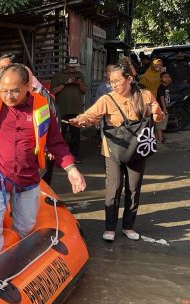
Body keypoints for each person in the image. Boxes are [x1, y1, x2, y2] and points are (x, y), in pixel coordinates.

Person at [0, 63, 86, 262]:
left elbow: (56, 142)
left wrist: (71, 169)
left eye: (14, 91)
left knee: (26, 227)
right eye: (4, 90)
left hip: (27, 179)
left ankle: (18, 263)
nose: (8, 96)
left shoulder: (42, 106)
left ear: (28, 86)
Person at [69, 64, 164, 242]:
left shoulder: (144, 95)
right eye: (110, 81)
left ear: (129, 79)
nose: (113, 85)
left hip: (137, 149)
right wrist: (80, 120)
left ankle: (129, 226)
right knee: (113, 188)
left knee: (134, 189)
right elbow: (90, 115)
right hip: (113, 150)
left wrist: (157, 113)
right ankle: (110, 228)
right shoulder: (107, 99)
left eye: (117, 81)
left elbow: (159, 116)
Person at [51, 56, 87, 163]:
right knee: (60, 135)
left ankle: (74, 155)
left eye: (74, 67)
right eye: (71, 67)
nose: (73, 69)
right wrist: (66, 83)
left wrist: (79, 83)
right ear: (66, 65)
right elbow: (53, 91)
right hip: (62, 110)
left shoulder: (79, 75)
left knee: (75, 134)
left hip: (76, 109)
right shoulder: (58, 75)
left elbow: (84, 90)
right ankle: (62, 157)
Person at [155, 71, 172, 143]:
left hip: (162, 107)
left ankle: (158, 137)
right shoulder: (162, 87)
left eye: (168, 77)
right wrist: (164, 108)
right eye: (165, 77)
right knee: (160, 124)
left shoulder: (166, 87)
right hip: (161, 108)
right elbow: (162, 97)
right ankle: (160, 139)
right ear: (161, 79)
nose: (167, 79)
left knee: (160, 124)